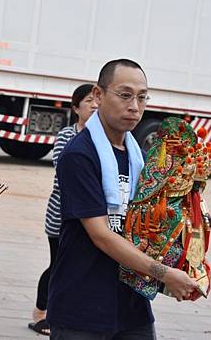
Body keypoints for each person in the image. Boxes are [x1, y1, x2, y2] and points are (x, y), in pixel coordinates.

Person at [47, 59, 198, 340]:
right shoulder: (80, 154)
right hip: (82, 306)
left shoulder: (139, 156)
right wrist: (165, 274)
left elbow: (152, 223)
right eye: (125, 95)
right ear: (98, 95)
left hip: (132, 306)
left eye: (142, 97)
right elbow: (101, 235)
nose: (134, 106)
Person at [29, 83, 97, 336]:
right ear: (76, 107)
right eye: (88, 101)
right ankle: (41, 313)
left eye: (96, 100)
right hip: (61, 215)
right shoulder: (68, 135)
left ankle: (65, 315)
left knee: (78, 267)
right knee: (57, 264)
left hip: (88, 217)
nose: (94, 105)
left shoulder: (101, 137)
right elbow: (65, 169)